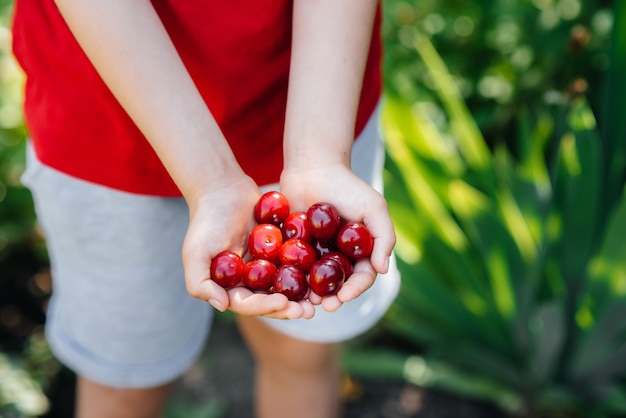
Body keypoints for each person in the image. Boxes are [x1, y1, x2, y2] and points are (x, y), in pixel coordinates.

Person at [11, 0, 400, 417]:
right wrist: (208, 179)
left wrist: (320, 155)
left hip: (313, 97)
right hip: (106, 125)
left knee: (304, 353)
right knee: (125, 383)